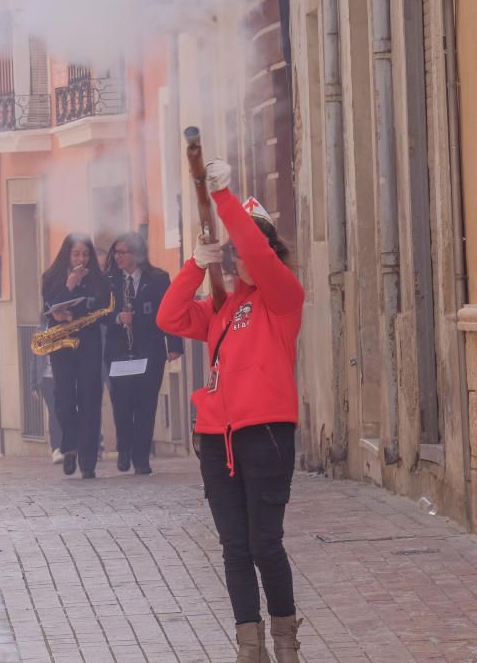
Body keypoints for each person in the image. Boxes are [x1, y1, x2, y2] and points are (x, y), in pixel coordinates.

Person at [156, 159, 304, 663]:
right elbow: (169, 315)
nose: (241, 255)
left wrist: (224, 198)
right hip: (217, 438)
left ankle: (286, 642)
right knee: (234, 549)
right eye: (235, 248)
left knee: (266, 545)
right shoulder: (220, 306)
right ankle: (250, 647)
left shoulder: (283, 296)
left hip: (265, 434)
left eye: (247, 247)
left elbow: (261, 259)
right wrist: (197, 263)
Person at [104, 232, 184, 475]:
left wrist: (174, 345)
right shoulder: (109, 281)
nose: (118, 257)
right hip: (119, 352)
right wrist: (117, 317)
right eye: (115, 252)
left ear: (137, 254)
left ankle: (141, 458)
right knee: (122, 403)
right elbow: (98, 313)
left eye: (123, 252)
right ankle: (124, 449)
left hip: (149, 349)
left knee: (146, 404)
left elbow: (170, 311)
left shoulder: (158, 279)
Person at [41, 233, 110, 479]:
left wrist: (75, 314)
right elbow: (49, 310)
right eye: (76, 254)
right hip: (62, 347)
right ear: (67, 255)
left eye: (85, 254)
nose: (81, 259)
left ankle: (88, 459)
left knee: (90, 400)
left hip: (89, 345)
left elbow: (104, 310)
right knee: (65, 400)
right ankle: (69, 446)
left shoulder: (98, 280)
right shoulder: (51, 277)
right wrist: (69, 286)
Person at [28, 321, 64, 463]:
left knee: (64, 411)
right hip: (46, 378)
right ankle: (56, 448)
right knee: (54, 412)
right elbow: (34, 358)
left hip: (63, 377)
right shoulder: (40, 329)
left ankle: (67, 445)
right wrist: (33, 385)